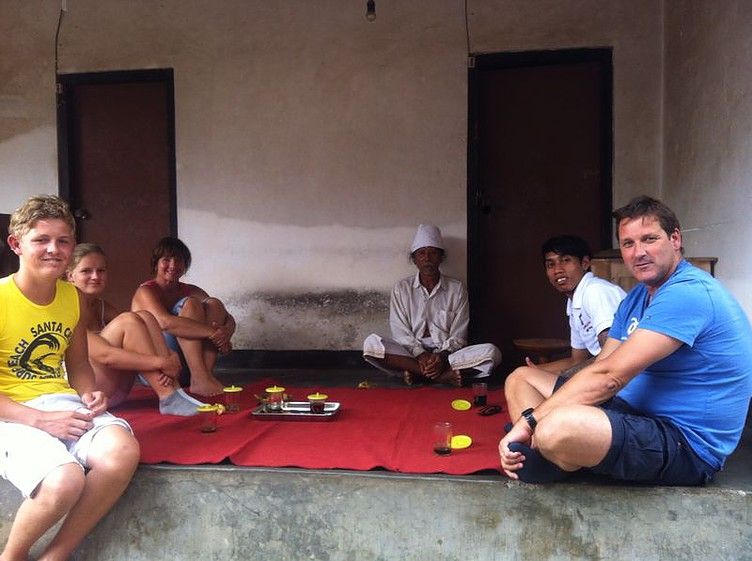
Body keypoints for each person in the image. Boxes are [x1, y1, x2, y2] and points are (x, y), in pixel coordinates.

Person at [499, 196, 752, 485]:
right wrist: (554, 404)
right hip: (633, 411)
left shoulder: (688, 292)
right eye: (629, 243)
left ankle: (547, 452)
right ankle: (551, 453)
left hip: (684, 442)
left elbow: (609, 377)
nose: (638, 252)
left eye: (649, 239)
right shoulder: (637, 297)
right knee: (521, 379)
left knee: (556, 426)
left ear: (675, 239)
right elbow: (603, 362)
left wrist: (530, 421)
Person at [0, 195, 140, 561]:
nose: (53, 249)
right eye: (41, 240)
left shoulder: (72, 297)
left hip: (61, 403)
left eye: (63, 241)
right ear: (16, 244)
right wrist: (41, 420)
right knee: (65, 480)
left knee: (122, 452)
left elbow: (77, 362)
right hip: (12, 415)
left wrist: (89, 392)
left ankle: (57, 554)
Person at [67, 243, 205, 415]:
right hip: (88, 394)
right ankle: (168, 395)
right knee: (129, 320)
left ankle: (174, 391)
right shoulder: (65, 309)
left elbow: (140, 333)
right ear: (70, 276)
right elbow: (105, 355)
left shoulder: (102, 307)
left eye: (101, 271)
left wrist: (169, 353)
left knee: (144, 316)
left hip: (113, 392)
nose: (95, 276)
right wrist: (162, 362)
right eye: (86, 271)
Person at [363, 224, 501, 386]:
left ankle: (418, 374)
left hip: (447, 355)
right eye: (421, 253)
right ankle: (440, 376)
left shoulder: (456, 289)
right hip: (411, 354)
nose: (427, 258)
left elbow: (459, 334)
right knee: (371, 344)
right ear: (414, 259)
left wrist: (441, 357)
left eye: (433, 252)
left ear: (441, 257)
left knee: (492, 352)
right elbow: (400, 332)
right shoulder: (402, 289)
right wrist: (421, 355)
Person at [131, 237, 235, 397]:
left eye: (178, 260)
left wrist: (225, 334)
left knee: (214, 304)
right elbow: (166, 323)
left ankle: (204, 377)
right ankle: (201, 377)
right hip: (160, 370)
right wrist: (213, 333)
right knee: (192, 304)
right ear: (156, 263)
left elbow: (227, 317)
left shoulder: (190, 289)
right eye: (166, 260)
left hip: (186, 368)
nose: (173, 265)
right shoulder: (145, 291)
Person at [524, 235, 625, 375]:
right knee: (524, 375)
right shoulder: (574, 303)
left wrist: (568, 377)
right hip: (605, 372)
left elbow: (614, 355)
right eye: (550, 264)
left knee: (522, 379)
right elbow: (577, 361)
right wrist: (537, 370)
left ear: (584, 263)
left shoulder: (596, 291)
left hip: (622, 377)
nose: (557, 270)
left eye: (566, 260)